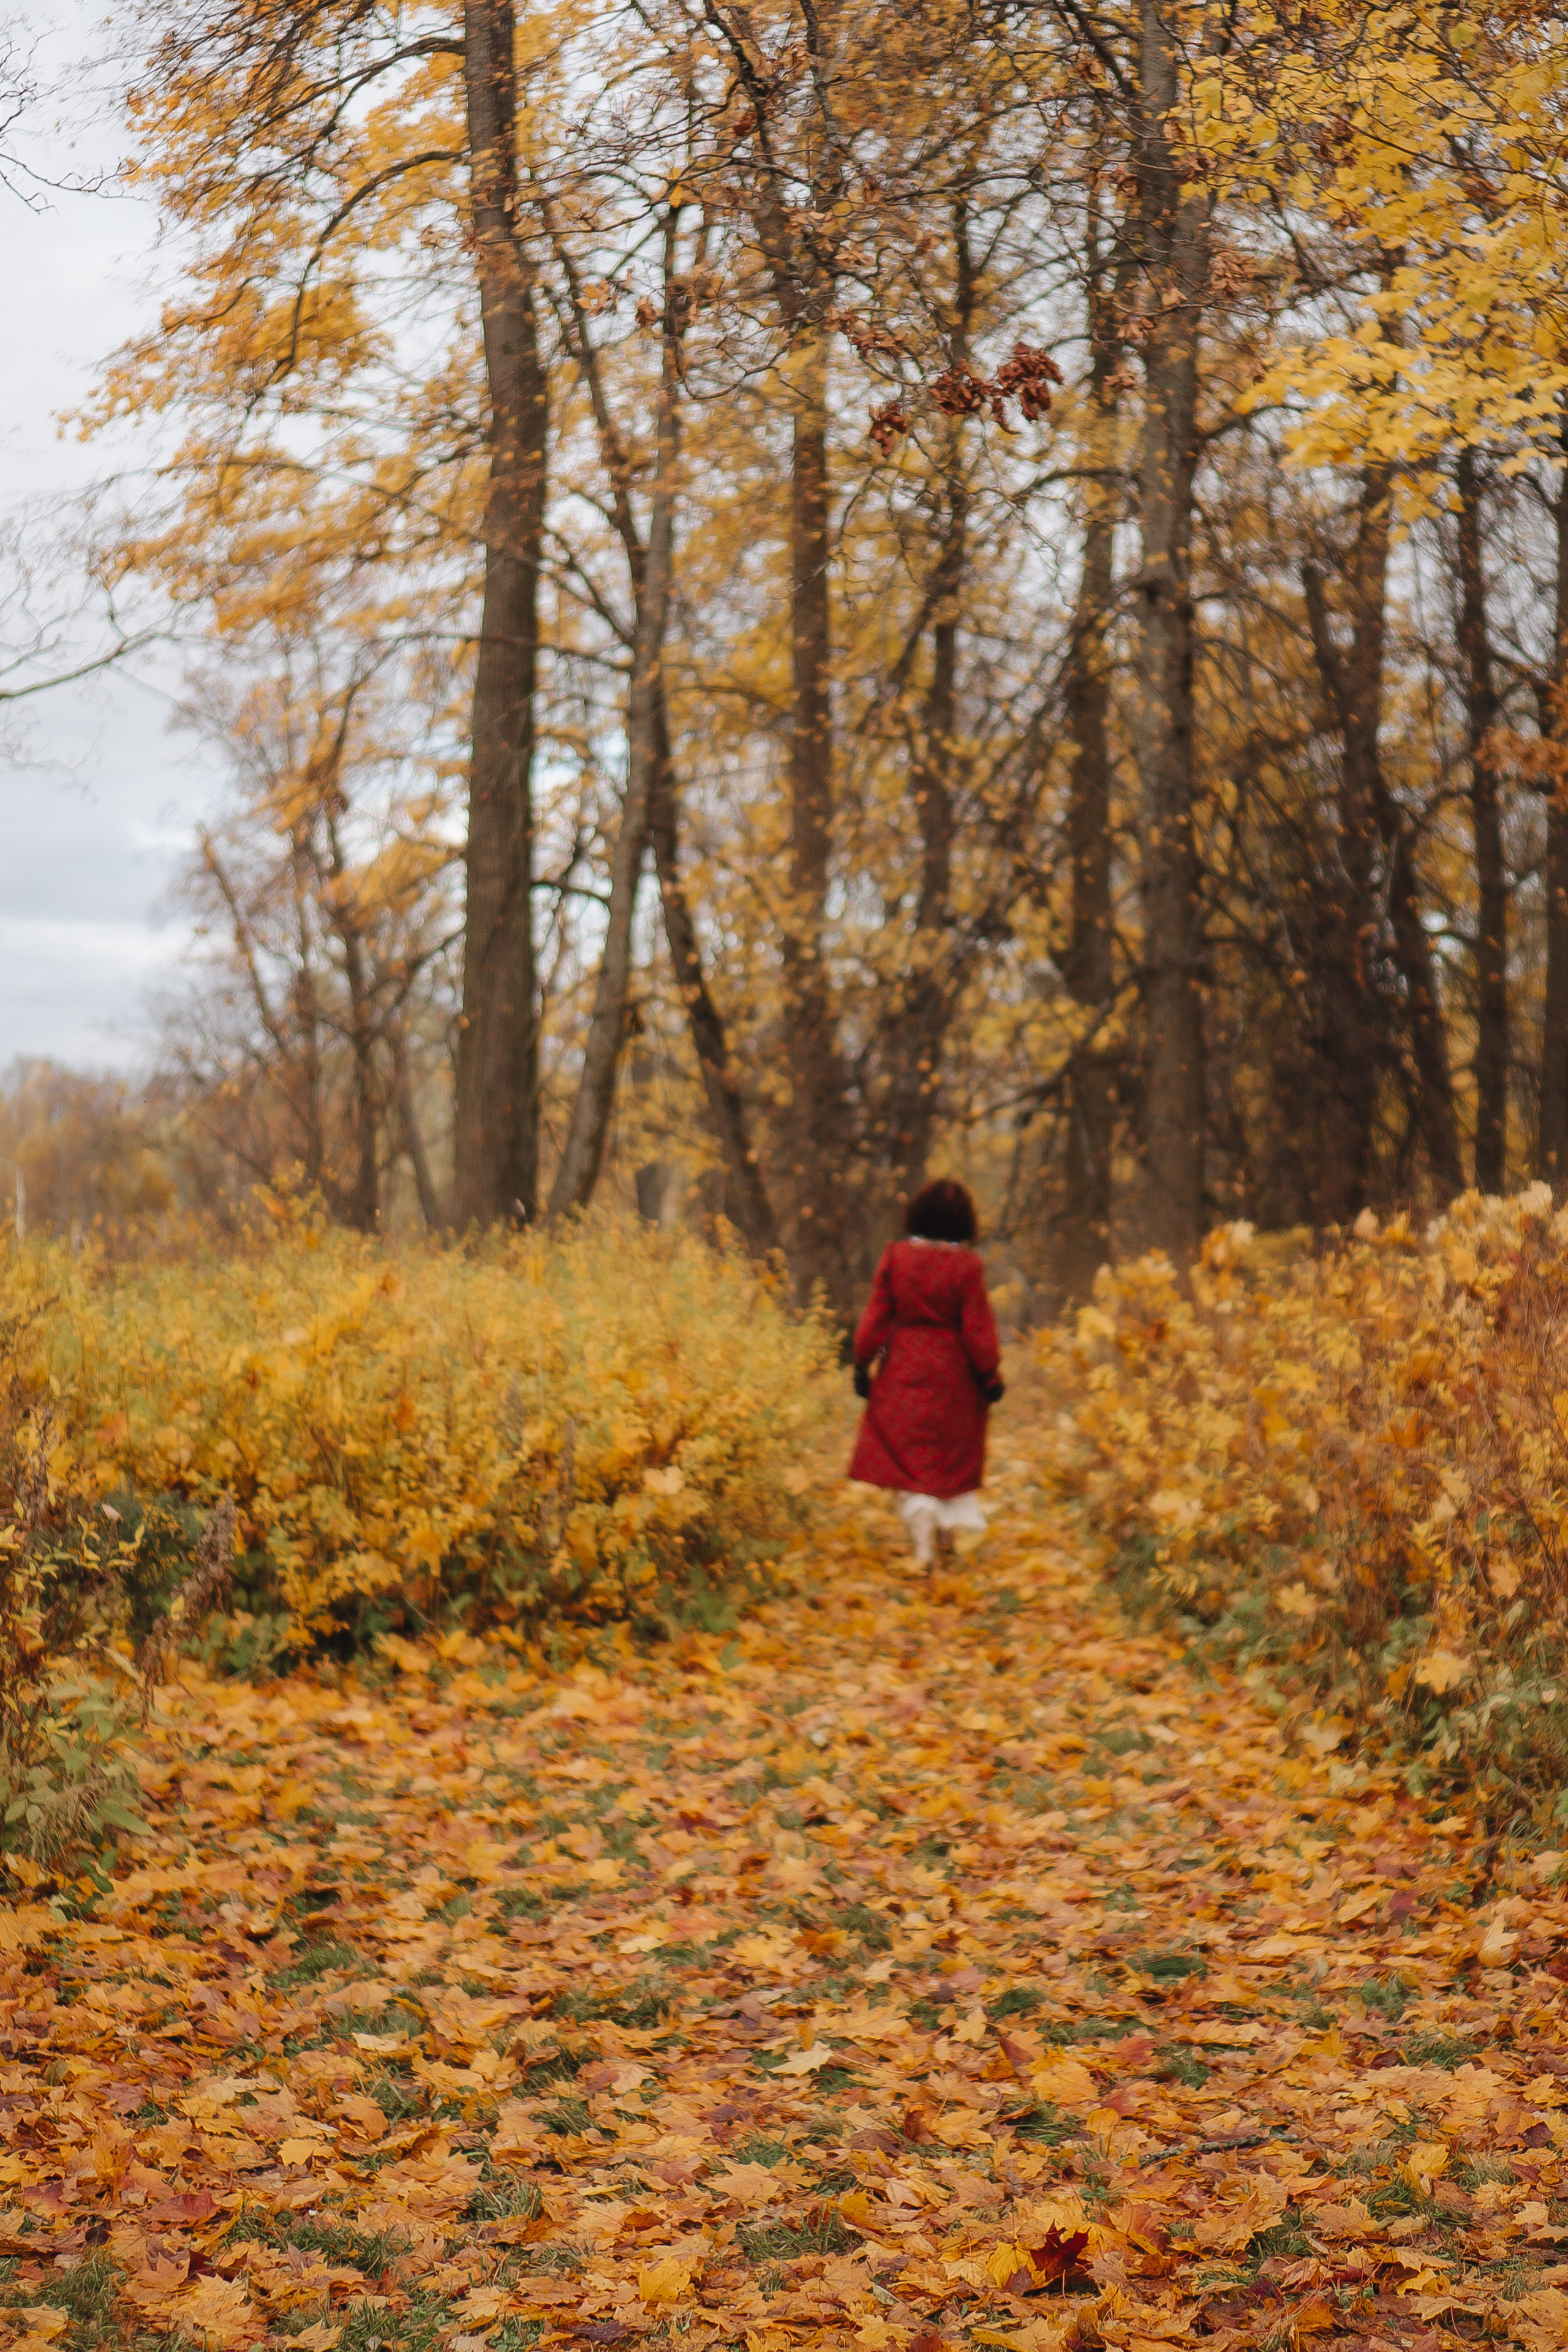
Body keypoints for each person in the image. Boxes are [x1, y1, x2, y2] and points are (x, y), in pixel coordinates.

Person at [847, 1178, 1004, 1569]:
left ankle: (923, 1545)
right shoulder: (967, 1267)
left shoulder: (897, 1258)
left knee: (910, 1460)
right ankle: (948, 1536)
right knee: (947, 1459)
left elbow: (876, 1316)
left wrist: (862, 1361)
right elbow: (978, 1328)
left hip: (904, 1369)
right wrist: (990, 1374)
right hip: (956, 1377)